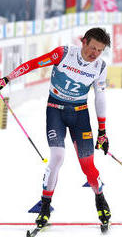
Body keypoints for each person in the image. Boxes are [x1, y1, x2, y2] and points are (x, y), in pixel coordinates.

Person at [0, 28, 112, 227]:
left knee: (88, 166)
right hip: (55, 111)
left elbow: (100, 96)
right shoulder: (64, 53)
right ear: (84, 42)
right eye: (92, 47)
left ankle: (100, 198)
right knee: (57, 157)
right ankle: (45, 206)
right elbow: (33, 64)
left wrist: (102, 131)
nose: (94, 54)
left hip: (80, 115)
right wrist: (7, 79)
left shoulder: (100, 66)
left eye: (99, 50)